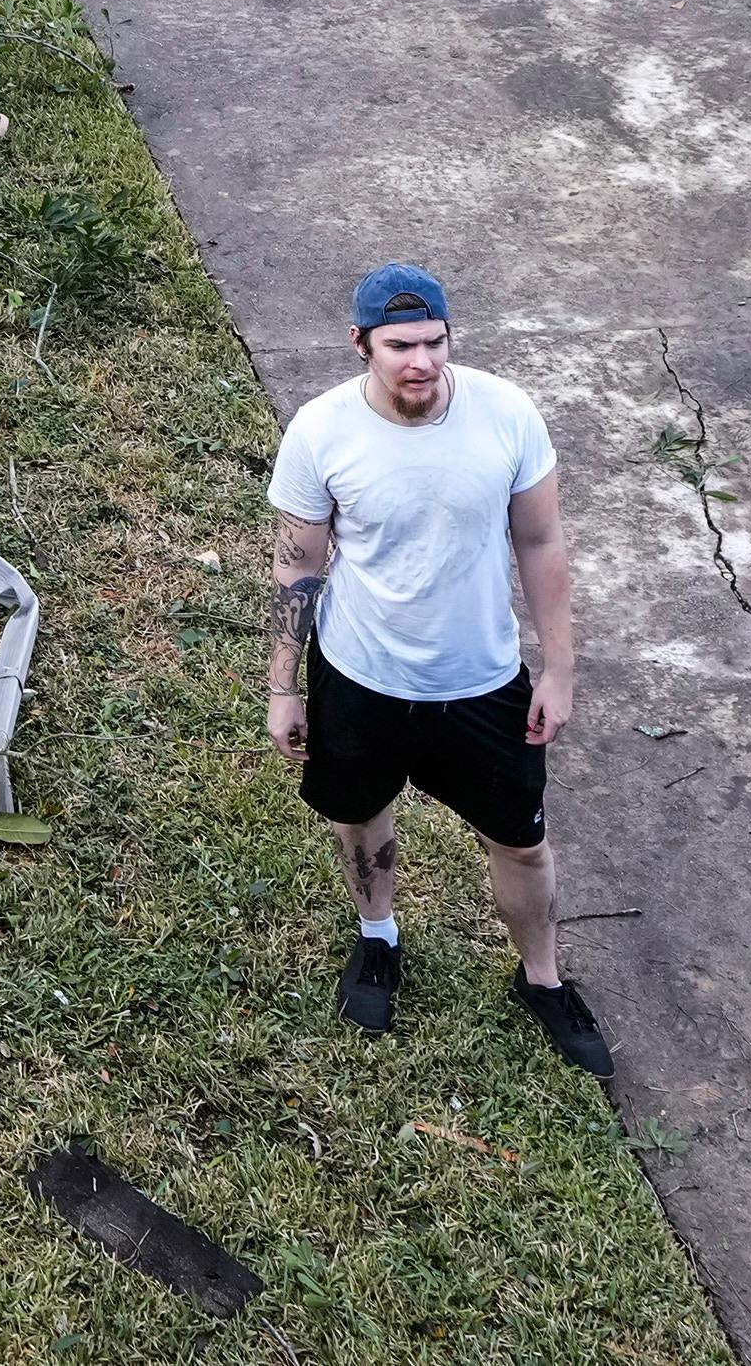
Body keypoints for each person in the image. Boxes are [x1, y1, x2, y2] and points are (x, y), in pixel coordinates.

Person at [265, 262, 607, 1080]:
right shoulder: (320, 430)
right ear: (360, 343)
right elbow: (297, 566)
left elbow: (542, 543)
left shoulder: (507, 413)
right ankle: (377, 937)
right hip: (359, 675)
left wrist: (559, 668)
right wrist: (284, 685)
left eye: (434, 341)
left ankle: (542, 978)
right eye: (399, 345)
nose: (421, 361)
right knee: (360, 816)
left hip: (480, 678)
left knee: (522, 841)